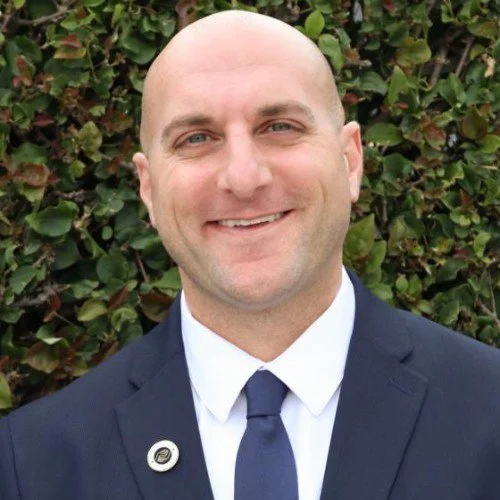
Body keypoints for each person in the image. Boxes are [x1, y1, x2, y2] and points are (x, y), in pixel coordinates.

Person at [1, 10, 499, 500]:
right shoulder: (34, 465)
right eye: (197, 138)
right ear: (148, 189)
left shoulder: (488, 412)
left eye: (279, 126)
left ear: (350, 161)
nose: (243, 178)